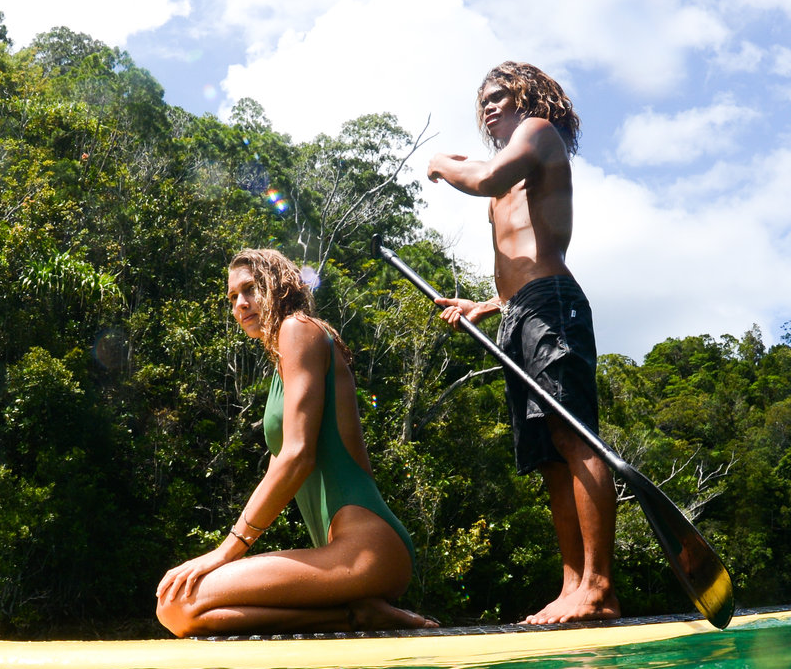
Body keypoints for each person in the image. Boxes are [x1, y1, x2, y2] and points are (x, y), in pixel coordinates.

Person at [425, 62, 618, 624]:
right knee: (548, 457)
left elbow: (485, 179)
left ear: (529, 97)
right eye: (484, 100)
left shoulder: (537, 133)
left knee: (572, 436)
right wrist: (484, 307)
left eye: (501, 96)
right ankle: (572, 585)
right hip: (519, 314)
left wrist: (442, 163)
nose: (490, 106)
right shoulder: (505, 166)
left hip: (553, 304)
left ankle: (601, 586)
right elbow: (515, 254)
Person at [156, 249, 435, 637]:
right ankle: (359, 614)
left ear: (278, 284)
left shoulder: (298, 329)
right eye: (232, 297)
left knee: (178, 603)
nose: (240, 304)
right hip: (342, 555)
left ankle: (358, 612)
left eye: (250, 289)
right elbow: (280, 466)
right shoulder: (281, 359)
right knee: (178, 611)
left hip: (367, 548)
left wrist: (225, 552)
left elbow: (297, 457)